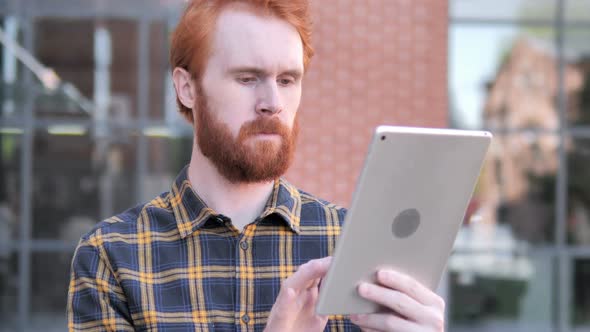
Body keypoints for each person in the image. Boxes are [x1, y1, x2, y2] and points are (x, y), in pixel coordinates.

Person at [67, 0, 445, 331]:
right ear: (187, 88)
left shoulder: (353, 245)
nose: (272, 102)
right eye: (247, 78)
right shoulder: (113, 257)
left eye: (287, 79)